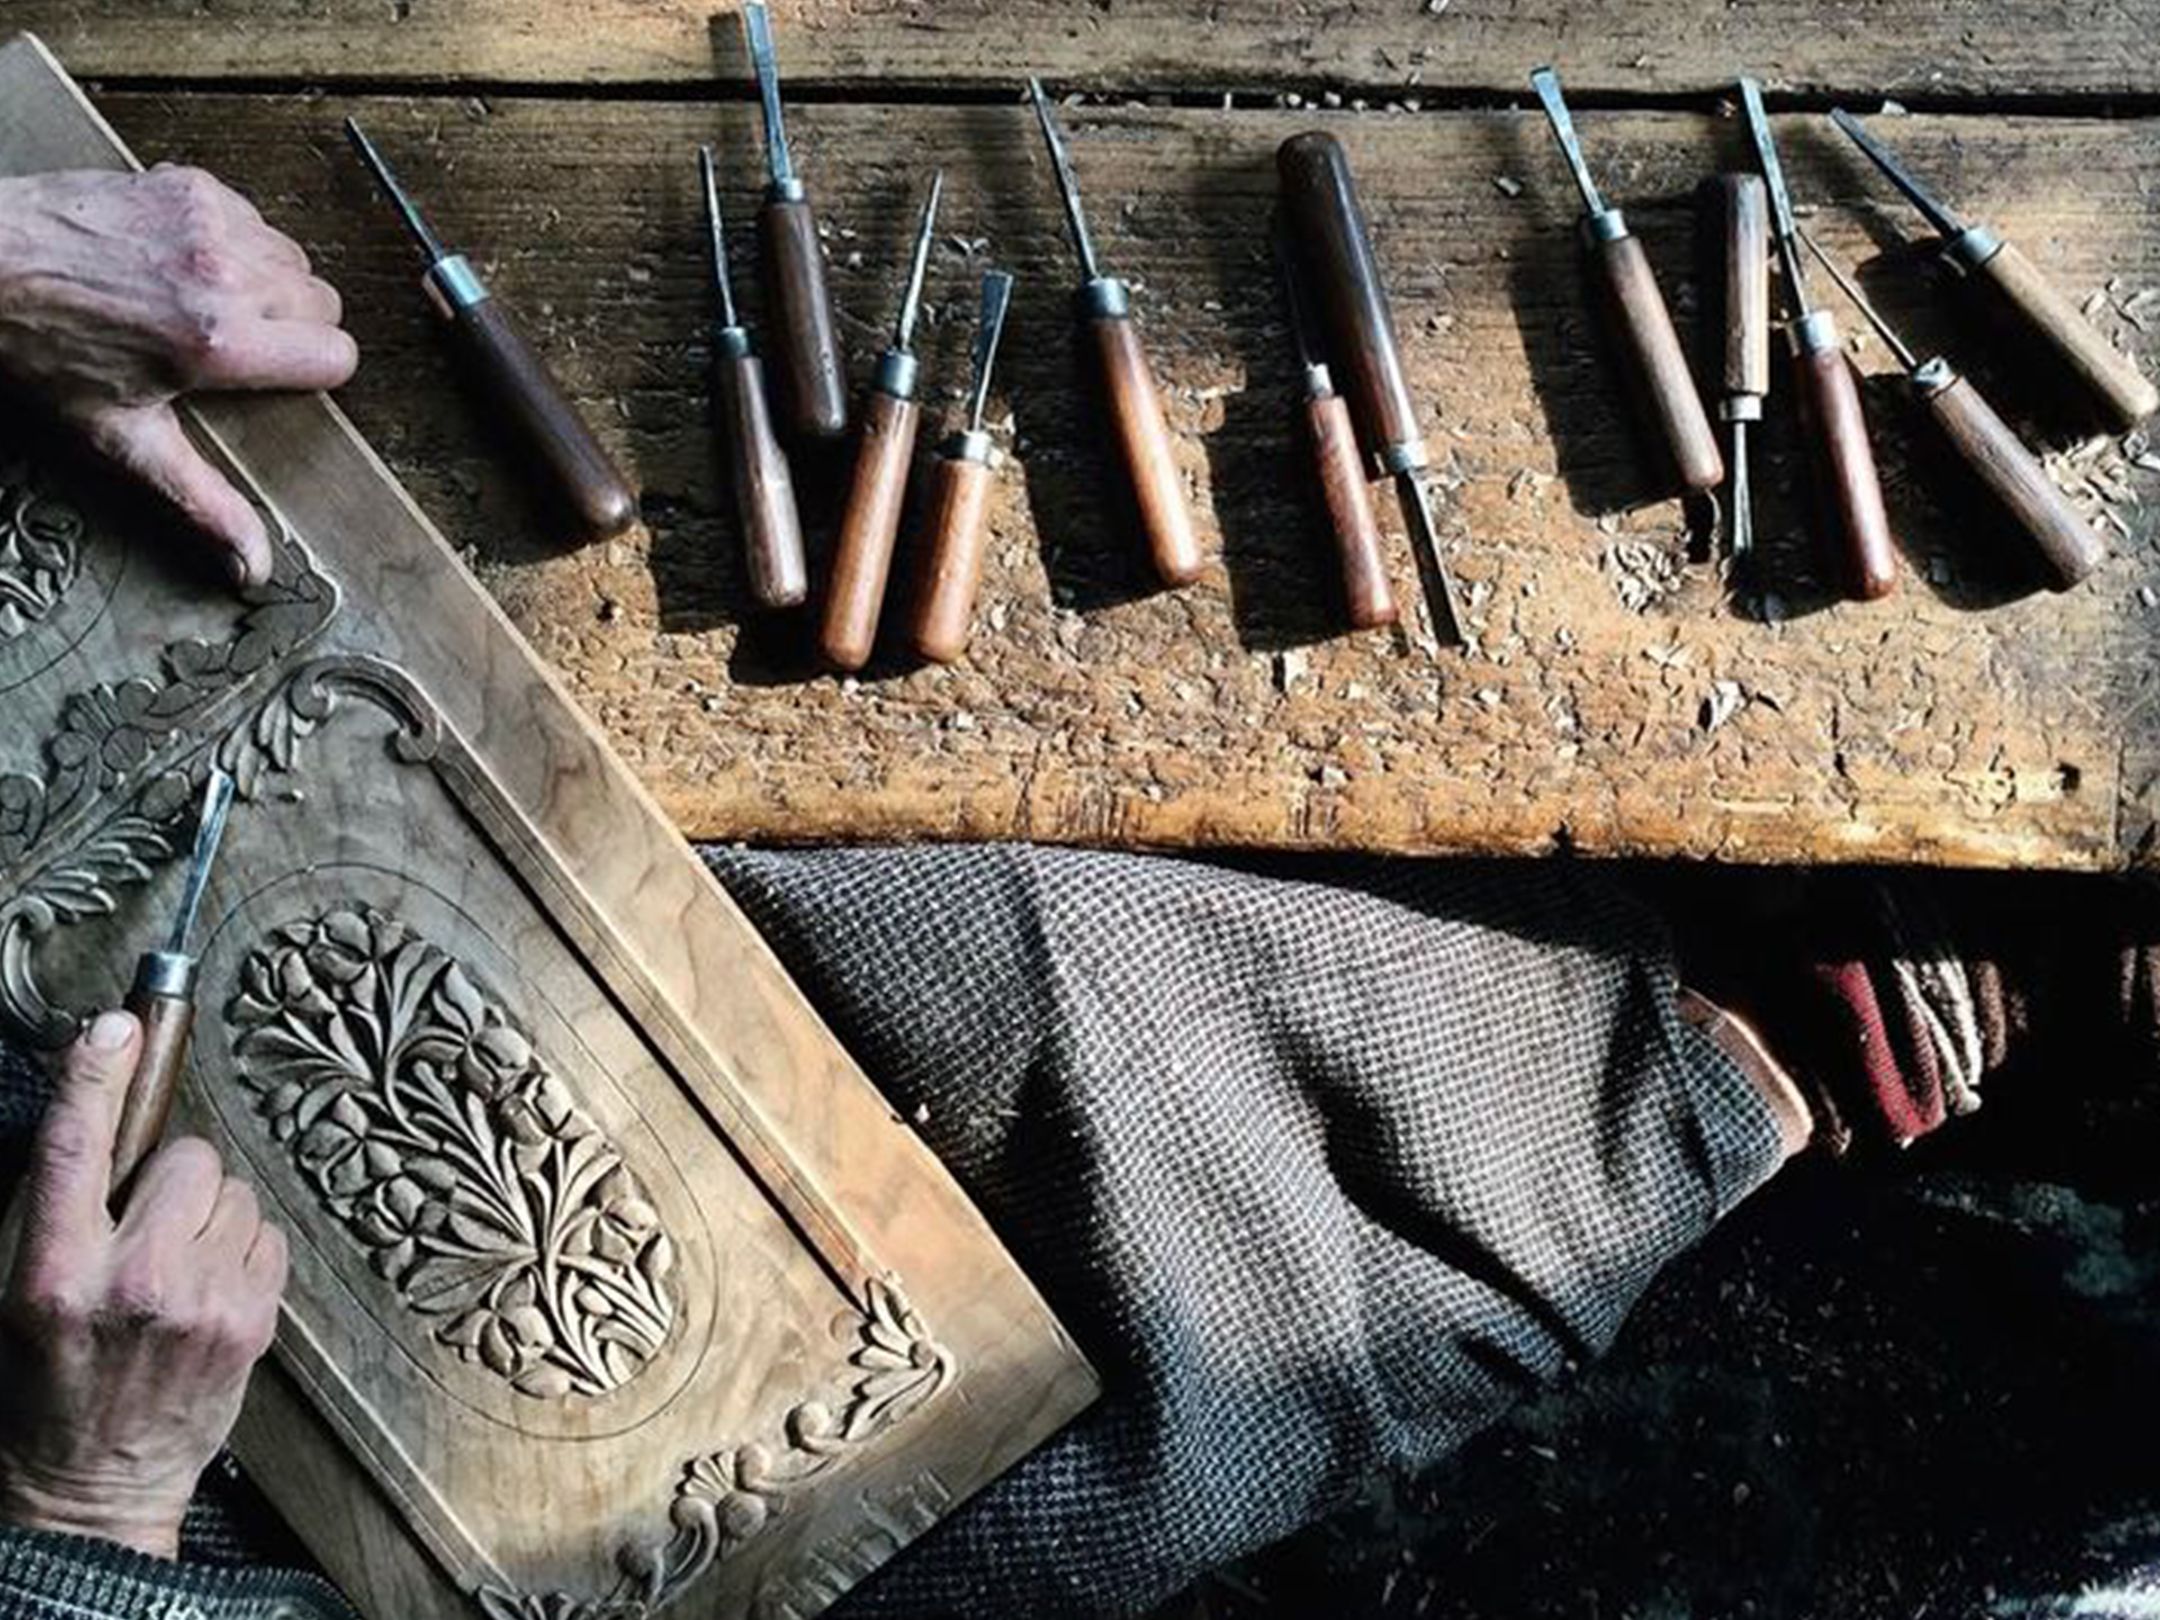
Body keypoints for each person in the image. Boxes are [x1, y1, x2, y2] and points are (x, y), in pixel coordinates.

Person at [0, 164, 2141, 1620]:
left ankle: (1744, 1046)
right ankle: (1745, 1066)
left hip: (213, 910)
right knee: (1119, 1381)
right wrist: (84, 1522)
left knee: (948, 1001)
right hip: (353, 1464)